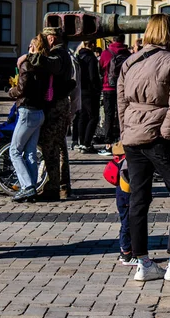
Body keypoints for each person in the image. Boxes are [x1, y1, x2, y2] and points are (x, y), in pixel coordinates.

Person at [117, 14, 170, 282]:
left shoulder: (130, 62)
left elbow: (121, 103)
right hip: (159, 136)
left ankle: (142, 261)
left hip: (133, 135)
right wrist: (165, 132)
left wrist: (125, 132)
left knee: (138, 199)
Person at [30, 27, 74, 201]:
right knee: (60, 145)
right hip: (61, 104)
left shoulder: (58, 54)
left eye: (47, 38)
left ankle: (53, 186)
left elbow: (51, 65)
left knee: (50, 146)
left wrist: (32, 56)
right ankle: (63, 185)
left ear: (52, 38)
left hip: (56, 105)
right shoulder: (64, 53)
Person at [8, 36, 50, 202]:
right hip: (39, 111)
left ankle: (27, 186)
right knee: (30, 153)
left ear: (34, 47)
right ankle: (32, 186)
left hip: (27, 111)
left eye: (30, 45)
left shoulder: (27, 65)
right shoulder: (44, 66)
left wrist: (12, 91)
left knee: (15, 151)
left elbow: (22, 88)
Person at [100, 34, 131, 156]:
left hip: (108, 87)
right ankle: (121, 140)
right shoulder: (128, 54)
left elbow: (101, 68)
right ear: (123, 40)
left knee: (109, 114)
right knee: (122, 114)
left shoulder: (106, 53)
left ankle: (108, 143)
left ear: (113, 40)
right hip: (123, 88)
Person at [76, 41, 102, 153]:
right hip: (90, 91)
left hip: (80, 90)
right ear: (91, 45)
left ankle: (81, 142)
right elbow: (93, 76)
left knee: (83, 116)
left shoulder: (78, 56)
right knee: (94, 117)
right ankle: (87, 143)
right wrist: (97, 88)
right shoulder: (91, 58)